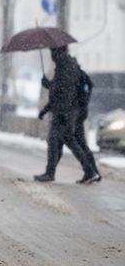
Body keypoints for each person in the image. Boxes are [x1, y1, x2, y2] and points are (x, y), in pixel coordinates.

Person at [34, 46, 101, 184]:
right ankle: (92, 172)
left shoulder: (65, 68)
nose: (52, 56)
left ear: (58, 52)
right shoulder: (68, 66)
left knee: (57, 141)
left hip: (65, 113)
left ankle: (88, 172)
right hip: (75, 112)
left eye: (53, 52)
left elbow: (64, 93)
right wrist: (48, 86)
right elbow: (59, 90)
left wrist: (63, 113)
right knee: (77, 143)